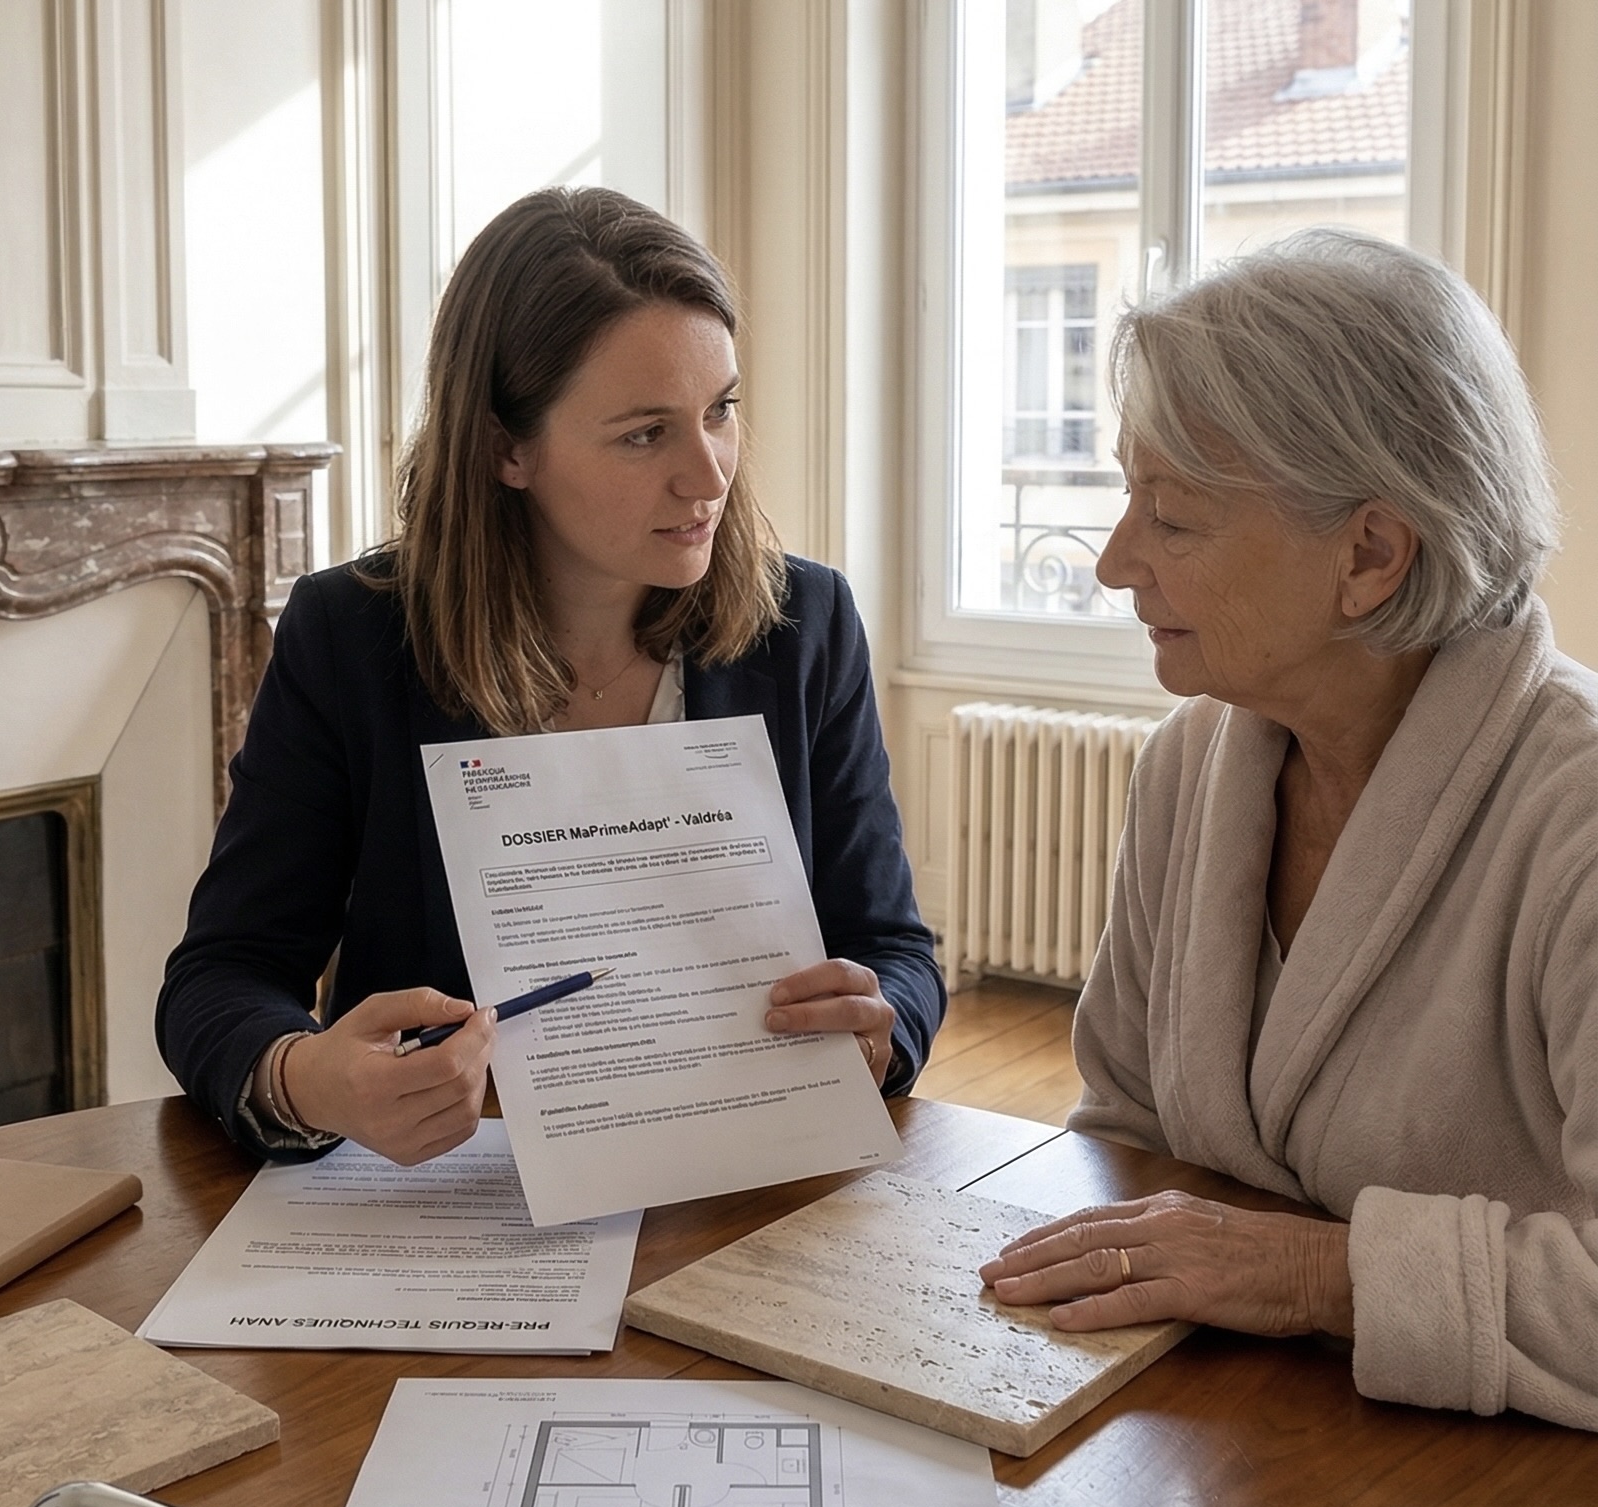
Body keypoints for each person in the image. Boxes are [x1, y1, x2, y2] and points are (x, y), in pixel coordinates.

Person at [157, 186, 943, 1170]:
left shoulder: (804, 625)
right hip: (463, 1199)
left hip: (740, 1183)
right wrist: (308, 1075)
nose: (709, 474)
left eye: (721, 410)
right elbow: (219, 976)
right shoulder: (349, 637)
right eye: (645, 433)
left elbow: (896, 955)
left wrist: (880, 1027)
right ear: (506, 448)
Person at [979, 229, 1598, 1431]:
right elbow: (1125, 1130)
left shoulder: (1572, 815)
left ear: (1366, 552)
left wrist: (1314, 1273)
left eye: (1171, 517)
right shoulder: (1194, 764)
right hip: (1228, 1437)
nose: (1113, 562)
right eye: (1124, 495)